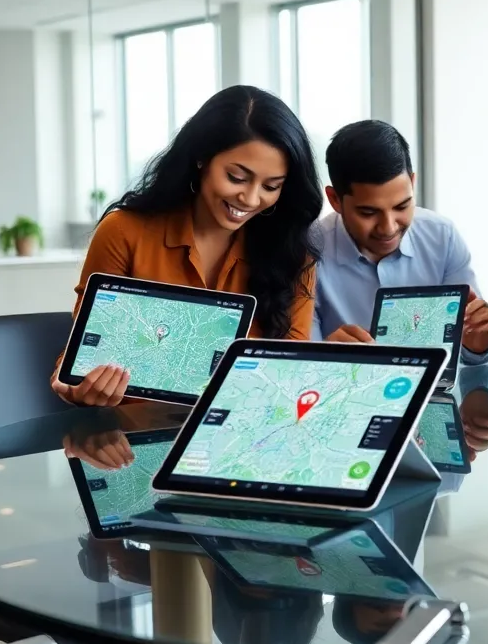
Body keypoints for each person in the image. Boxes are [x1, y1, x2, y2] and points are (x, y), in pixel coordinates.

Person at [52, 85, 322, 407]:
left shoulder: (292, 251)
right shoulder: (124, 231)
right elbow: (81, 353)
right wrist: (75, 386)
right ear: (201, 158)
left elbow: (289, 371)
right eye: (236, 177)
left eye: (271, 186)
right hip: (132, 440)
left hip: (233, 437)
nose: (250, 199)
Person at [310, 119, 488, 363]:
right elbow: (300, 364)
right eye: (368, 213)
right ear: (335, 200)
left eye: (402, 206)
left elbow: (473, 354)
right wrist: (324, 354)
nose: (388, 227)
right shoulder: (307, 252)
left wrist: (478, 345)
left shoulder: (442, 236)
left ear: (413, 183)